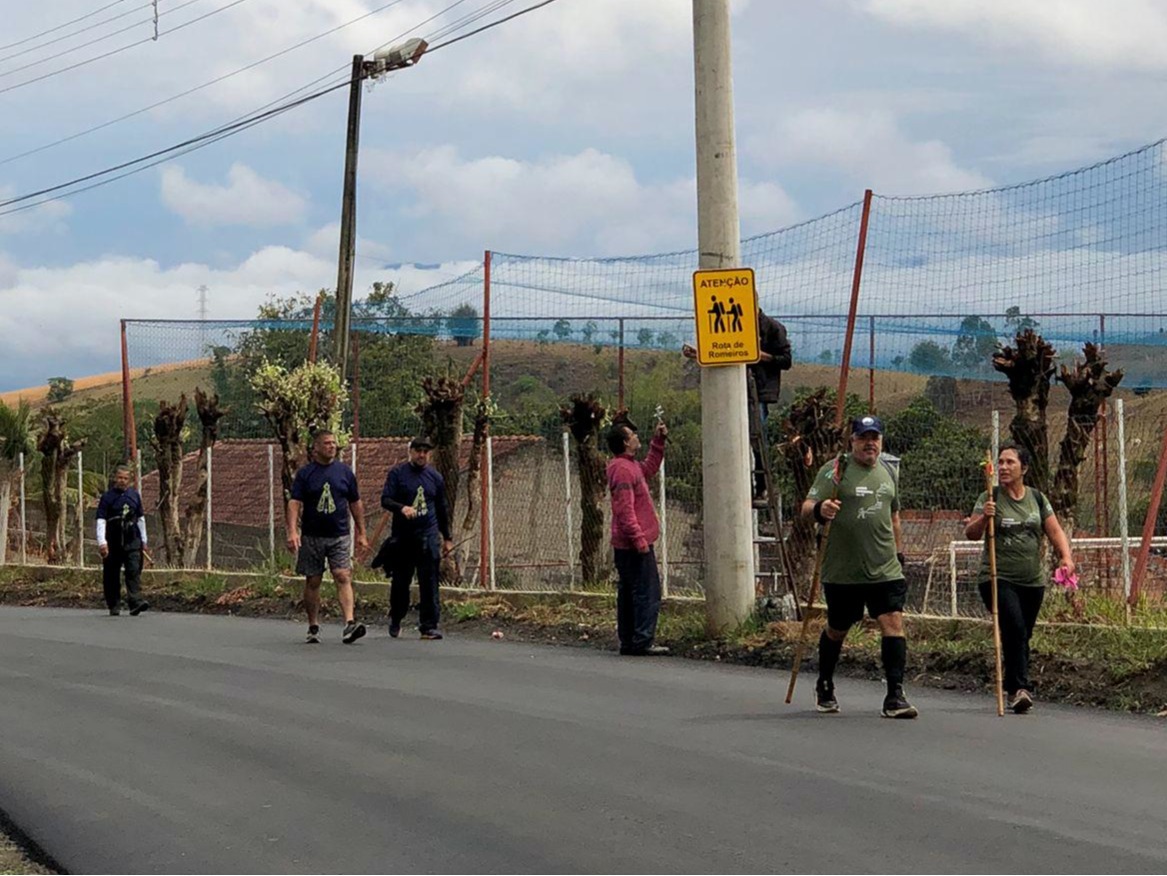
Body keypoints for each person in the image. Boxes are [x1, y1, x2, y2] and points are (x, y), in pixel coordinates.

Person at [801, 414, 917, 718]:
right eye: (864, 438)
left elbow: (894, 516)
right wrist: (820, 509)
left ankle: (895, 695)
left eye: (874, 438)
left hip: (884, 567)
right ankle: (824, 683)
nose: (870, 443)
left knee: (893, 622)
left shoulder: (888, 472)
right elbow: (805, 507)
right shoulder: (835, 471)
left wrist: (899, 552)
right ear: (852, 441)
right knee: (838, 627)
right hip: (843, 570)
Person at [964, 444, 1075, 714]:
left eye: (1010, 462)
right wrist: (984, 519)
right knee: (1014, 627)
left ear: (1023, 468)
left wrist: (1066, 557)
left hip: (1032, 580)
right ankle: (1020, 689)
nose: (1003, 467)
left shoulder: (1037, 499)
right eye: (1000, 462)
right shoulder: (989, 497)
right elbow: (971, 533)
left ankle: (1015, 684)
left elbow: (1055, 530)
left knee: (1022, 634)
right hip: (997, 577)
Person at [287, 431, 369, 645]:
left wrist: (361, 532)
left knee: (342, 575)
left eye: (334, 443)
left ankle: (349, 623)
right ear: (316, 448)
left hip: (339, 535)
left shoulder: (345, 473)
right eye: (326, 443)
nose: (331, 446)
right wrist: (292, 531)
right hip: (313, 535)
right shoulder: (306, 474)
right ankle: (313, 625)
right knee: (313, 580)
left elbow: (355, 503)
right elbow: (295, 502)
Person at [606, 415, 669, 656]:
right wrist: (639, 538)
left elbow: (649, 468)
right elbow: (625, 509)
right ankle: (642, 639)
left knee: (629, 591)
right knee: (646, 591)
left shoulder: (628, 466)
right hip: (634, 543)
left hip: (627, 543)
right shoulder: (623, 470)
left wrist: (658, 442)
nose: (636, 437)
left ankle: (630, 640)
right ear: (624, 443)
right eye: (632, 435)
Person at [380, 435, 453, 640]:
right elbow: (385, 499)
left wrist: (447, 537)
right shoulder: (398, 474)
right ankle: (396, 618)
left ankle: (429, 625)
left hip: (428, 535)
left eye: (425, 452)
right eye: (418, 451)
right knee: (401, 581)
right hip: (404, 536)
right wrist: (401, 508)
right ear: (411, 452)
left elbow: (441, 508)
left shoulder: (435, 478)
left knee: (429, 581)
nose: (422, 455)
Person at [96, 464, 150, 617]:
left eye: (125, 478)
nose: (122, 481)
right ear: (115, 478)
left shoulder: (134, 495)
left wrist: (143, 541)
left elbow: (141, 518)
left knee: (133, 570)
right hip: (112, 540)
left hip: (132, 539)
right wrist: (102, 542)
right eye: (120, 478)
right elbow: (101, 520)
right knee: (111, 574)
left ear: (130, 480)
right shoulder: (107, 497)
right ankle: (114, 604)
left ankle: (135, 602)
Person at [749, 309, 792, 502]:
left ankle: (762, 487)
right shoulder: (736, 324)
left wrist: (760, 356)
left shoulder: (773, 328)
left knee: (757, 439)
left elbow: (786, 360)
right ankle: (749, 486)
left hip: (759, 391)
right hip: (737, 390)